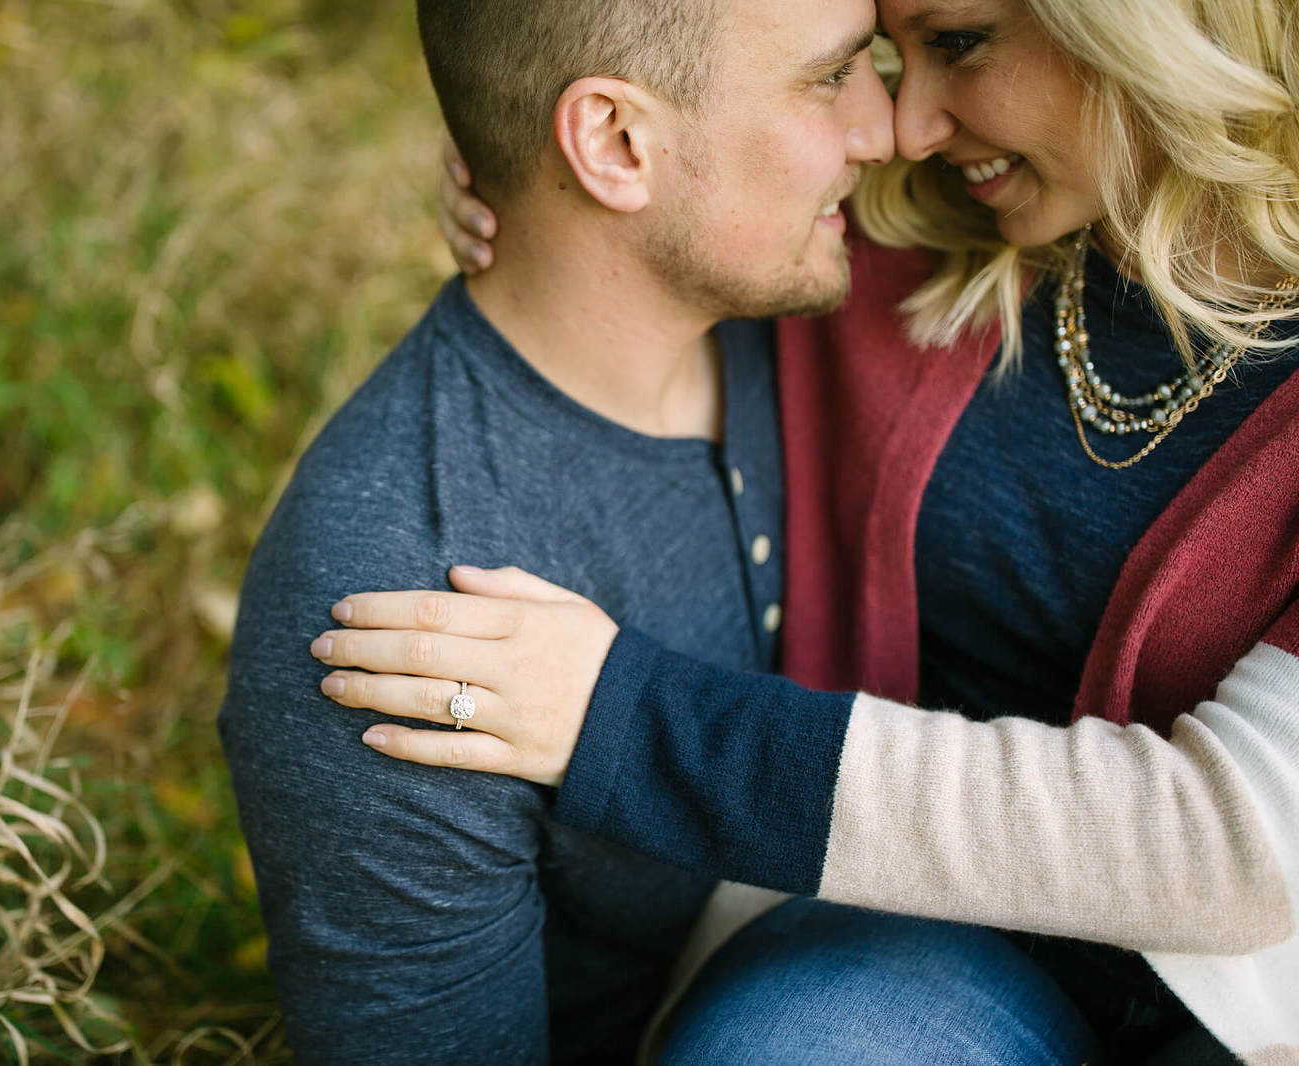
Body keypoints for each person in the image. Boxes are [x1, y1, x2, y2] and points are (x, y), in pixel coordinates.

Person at [306, 0, 1299, 1061]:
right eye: (876, 57)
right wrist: (540, 184)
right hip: (906, 955)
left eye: (959, 44)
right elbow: (665, 172)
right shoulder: (902, 232)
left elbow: (1239, 844)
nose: (907, 127)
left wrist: (625, 721)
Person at [216, 0, 897, 1061]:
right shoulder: (401, 609)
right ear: (615, 144)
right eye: (830, 79)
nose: (886, 130)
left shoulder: (812, 307)